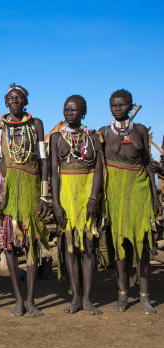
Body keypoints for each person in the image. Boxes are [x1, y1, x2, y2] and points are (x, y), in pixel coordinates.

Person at [99, 89, 161, 314]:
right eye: (113, 105)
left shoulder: (141, 130)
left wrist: (155, 198)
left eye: (122, 105)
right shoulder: (103, 133)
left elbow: (148, 165)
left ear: (130, 105)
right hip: (115, 194)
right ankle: (122, 295)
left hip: (139, 191)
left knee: (142, 244)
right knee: (120, 246)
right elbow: (98, 168)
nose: (117, 108)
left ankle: (145, 297)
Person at [0, 84, 48, 316]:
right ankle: (18, 300)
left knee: (32, 243)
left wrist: (43, 194)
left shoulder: (36, 125)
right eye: (11, 98)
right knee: (10, 246)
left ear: (25, 102)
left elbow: (43, 161)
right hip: (6, 190)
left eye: (19, 98)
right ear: (5, 103)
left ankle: (31, 301)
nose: (15, 101)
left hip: (31, 190)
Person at [50, 95, 103, 315]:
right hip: (65, 198)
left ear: (83, 112)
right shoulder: (56, 138)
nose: (69, 113)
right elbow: (54, 172)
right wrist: (56, 203)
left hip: (87, 197)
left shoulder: (93, 137)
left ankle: (88, 298)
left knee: (89, 247)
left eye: (74, 110)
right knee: (70, 248)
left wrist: (93, 199)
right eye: (66, 110)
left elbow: (99, 170)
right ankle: (75, 297)